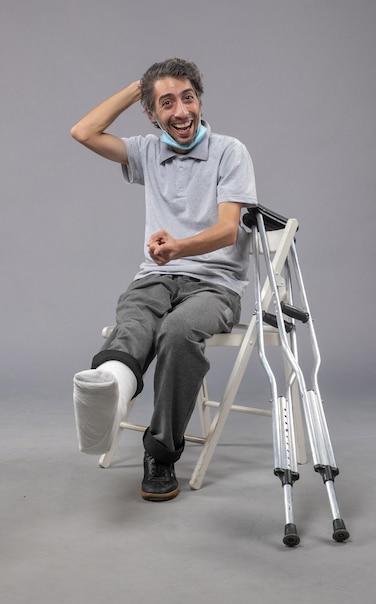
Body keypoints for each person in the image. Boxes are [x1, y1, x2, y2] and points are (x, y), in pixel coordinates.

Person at [71, 58, 257, 501]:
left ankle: (160, 451)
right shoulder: (148, 151)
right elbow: (83, 131)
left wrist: (178, 247)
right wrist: (141, 86)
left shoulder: (230, 151)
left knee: (176, 331)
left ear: (200, 100)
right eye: (167, 103)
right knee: (135, 316)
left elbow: (229, 229)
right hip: (157, 276)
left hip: (216, 285)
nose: (181, 111)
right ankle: (110, 387)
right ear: (152, 114)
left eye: (188, 97)